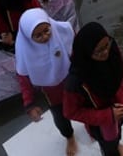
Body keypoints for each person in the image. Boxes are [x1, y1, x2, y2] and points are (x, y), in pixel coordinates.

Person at [64, 23, 123, 156]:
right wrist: (108, 115)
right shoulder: (76, 81)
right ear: (86, 52)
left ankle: (116, 143)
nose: (105, 52)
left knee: (117, 131)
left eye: (106, 46)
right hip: (103, 122)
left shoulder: (113, 51)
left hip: (120, 110)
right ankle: (111, 149)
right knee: (108, 144)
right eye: (98, 51)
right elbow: (70, 112)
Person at [15, 8, 78, 156]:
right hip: (52, 91)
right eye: (38, 35)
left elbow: (78, 49)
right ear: (28, 37)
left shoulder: (62, 31)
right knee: (60, 116)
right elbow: (24, 80)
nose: (45, 37)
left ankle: (92, 126)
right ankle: (69, 136)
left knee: (85, 104)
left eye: (46, 31)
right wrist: (29, 104)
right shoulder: (25, 53)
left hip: (73, 80)